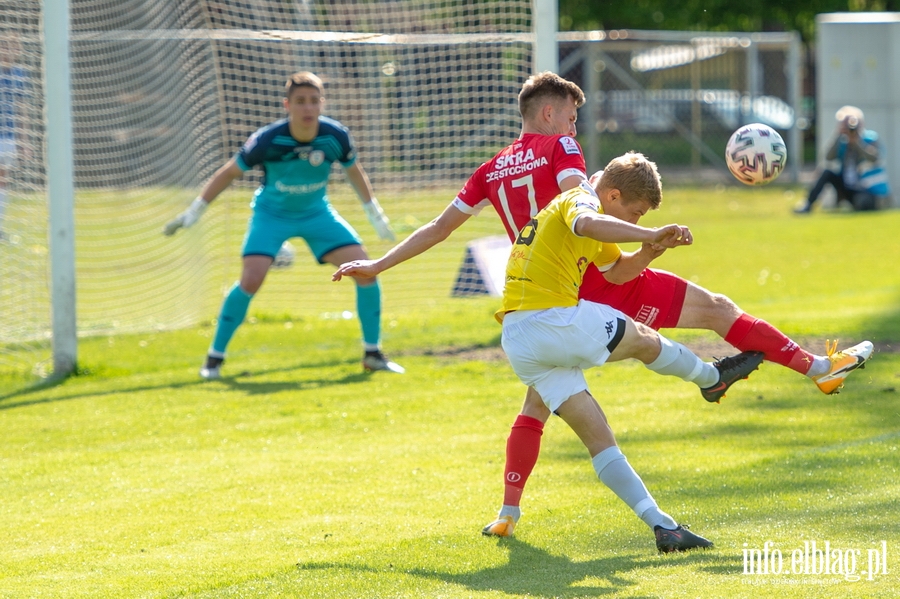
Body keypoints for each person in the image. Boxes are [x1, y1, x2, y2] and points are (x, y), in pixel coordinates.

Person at [332, 73, 875, 538]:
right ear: (549, 113)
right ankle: (777, 371)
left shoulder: (491, 169)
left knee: (539, 400)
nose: (574, 129)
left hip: (540, 294)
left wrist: (378, 266)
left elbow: (437, 228)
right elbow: (584, 207)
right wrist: (645, 233)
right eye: (570, 118)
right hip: (591, 277)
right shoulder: (559, 150)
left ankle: (508, 511)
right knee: (707, 314)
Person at [164, 71, 403, 378]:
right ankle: (214, 359)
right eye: (301, 102)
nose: (308, 108)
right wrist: (194, 211)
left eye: (314, 101)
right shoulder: (267, 139)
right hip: (271, 216)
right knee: (251, 280)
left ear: (322, 104)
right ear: (287, 105)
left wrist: (375, 214)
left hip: (317, 213)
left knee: (366, 270)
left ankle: (373, 354)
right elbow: (228, 173)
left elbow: (354, 172)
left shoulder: (335, 136)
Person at [796, 105, 890, 213]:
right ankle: (808, 204)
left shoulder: (870, 139)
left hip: (865, 188)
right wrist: (837, 134)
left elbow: (876, 158)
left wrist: (857, 142)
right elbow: (828, 157)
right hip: (846, 185)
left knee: (863, 203)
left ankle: (855, 204)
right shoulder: (842, 142)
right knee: (826, 172)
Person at [0, 37, 28, 242]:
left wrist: (23, 140)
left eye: (15, 46)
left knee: (3, 182)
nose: (10, 50)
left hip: (8, 137)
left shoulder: (19, 74)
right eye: (6, 45)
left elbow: (22, 110)